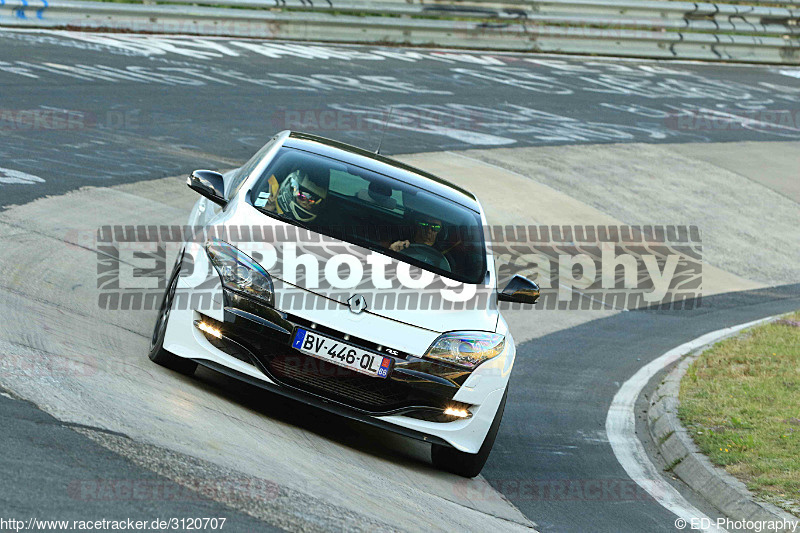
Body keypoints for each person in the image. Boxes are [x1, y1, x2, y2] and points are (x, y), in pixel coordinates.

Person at [256, 168, 328, 223]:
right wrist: (270, 208)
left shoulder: (310, 227)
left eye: (312, 200)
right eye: (303, 196)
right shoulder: (268, 191)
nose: (306, 202)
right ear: (290, 189)